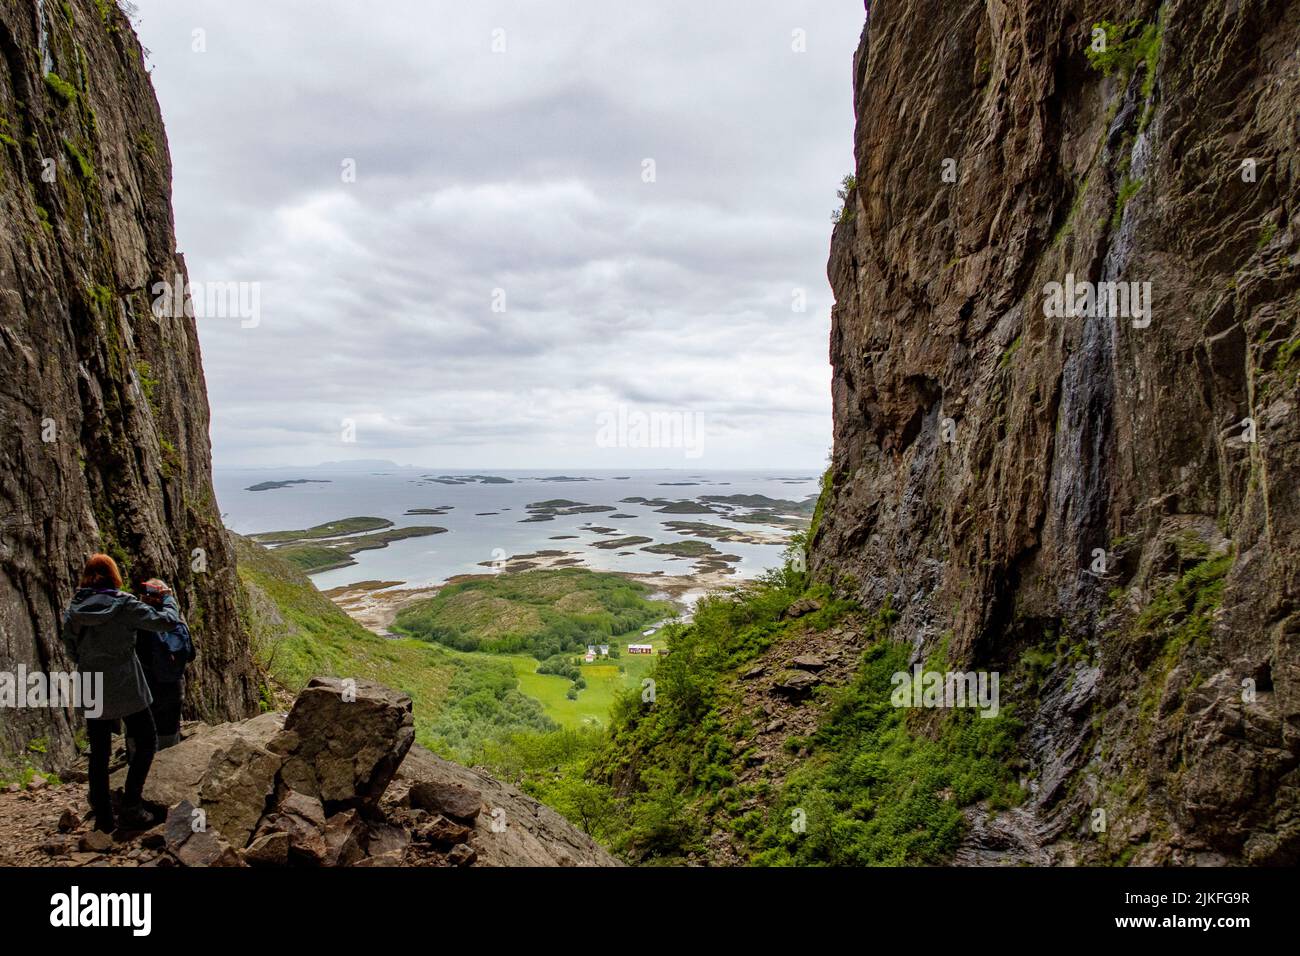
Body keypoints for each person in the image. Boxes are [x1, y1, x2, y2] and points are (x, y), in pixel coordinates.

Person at [61, 554, 180, 831]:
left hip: (91, 683)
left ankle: (103, 820)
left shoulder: (75, 607)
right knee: (147, 740)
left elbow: (70, 649)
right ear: (114, 576)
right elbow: (166, 622)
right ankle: (132, 805)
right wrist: (166, 597)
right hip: (126, 682)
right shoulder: (123, 604)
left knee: (99, 753)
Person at [131, 577, 193, 750]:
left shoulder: (137, 622)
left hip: (142, 689)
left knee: (139, 737)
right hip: (172, 689)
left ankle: (137, 770)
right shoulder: (177, 623)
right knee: (168, 737)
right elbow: (190, 655)